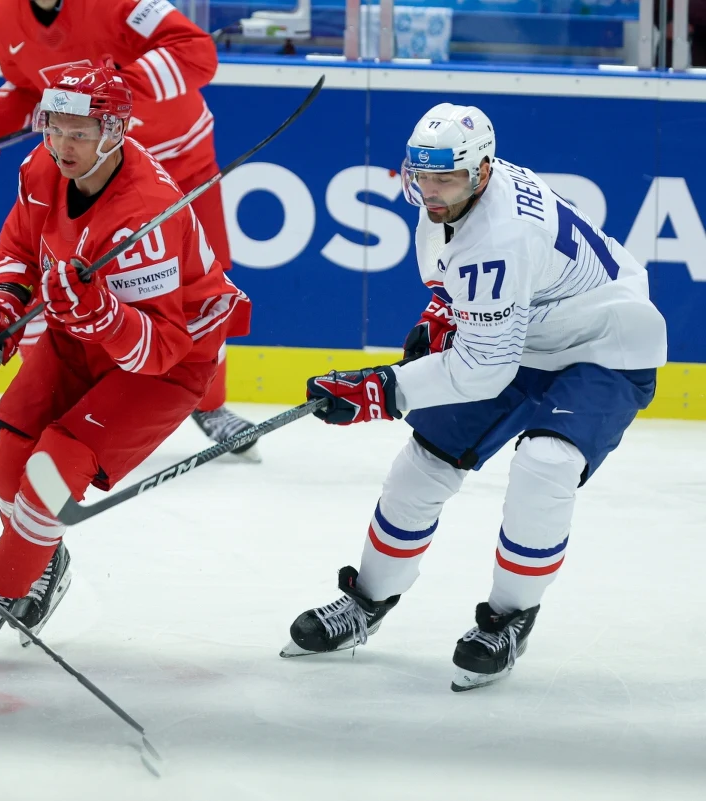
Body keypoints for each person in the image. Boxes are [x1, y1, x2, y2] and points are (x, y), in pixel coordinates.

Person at [282, 104, 667, 691]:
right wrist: (445, 310)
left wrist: (380, 391)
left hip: (605, 345)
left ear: (482, 172)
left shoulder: (501, 235)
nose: (432, 193)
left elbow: (484, 368)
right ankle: (367, 602)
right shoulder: (457, 193)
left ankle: (510, 619)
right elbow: (472, 291)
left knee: (546, 463)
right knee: (423, 465)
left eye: (447, 179)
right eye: (422, 176)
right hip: (528, 334)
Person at [0, 63, 250, 663]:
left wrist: (99, 314)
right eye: (55, 126)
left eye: (79, 132)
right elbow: (18, 249)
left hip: (172, 362)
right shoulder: (41, 168)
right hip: (81, 335)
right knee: (11, 463)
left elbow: (160, 347)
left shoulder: (144, 215)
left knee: (53, 473)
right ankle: (42, 559)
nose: (62, 144)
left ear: (114, 132)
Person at [0, 0, 262, 459]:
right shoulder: (7, 17)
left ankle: (210, 405)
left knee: (197, 289)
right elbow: (27, 90)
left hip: (179, 161)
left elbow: (194, 49)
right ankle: (56, 409)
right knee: (62, 284)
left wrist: (119, 89)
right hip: (90, 171)